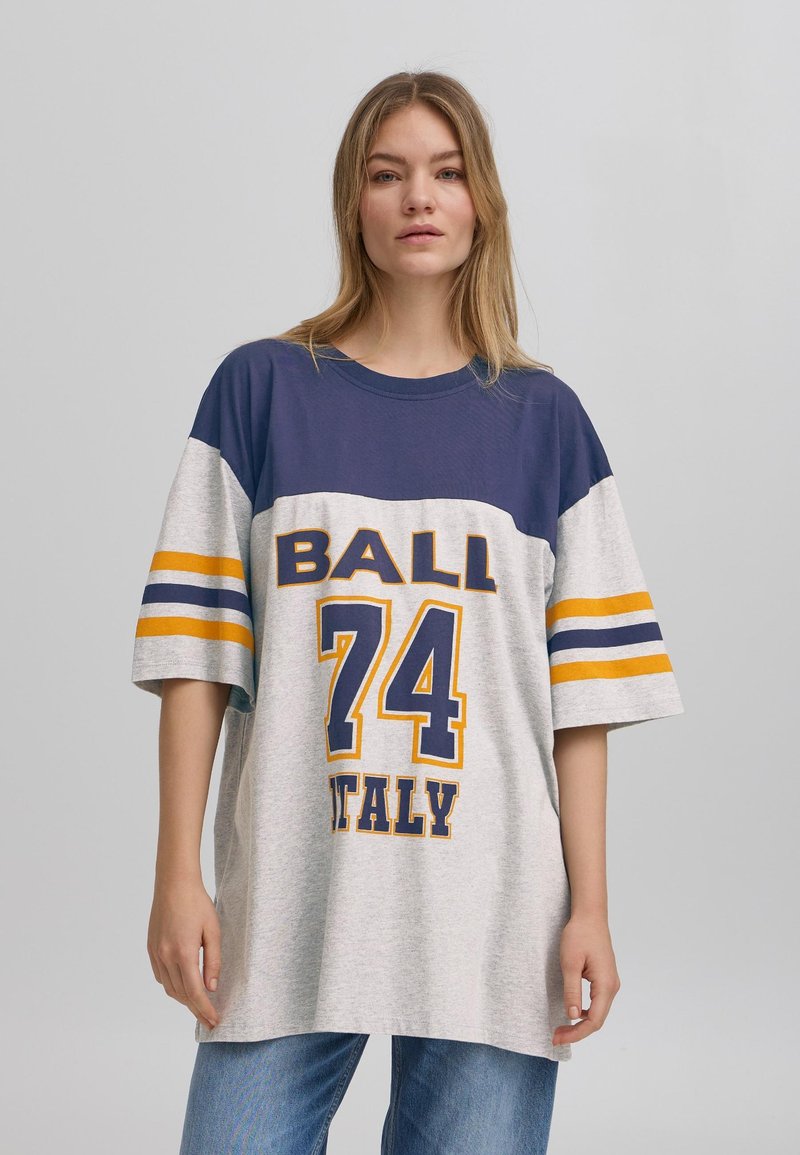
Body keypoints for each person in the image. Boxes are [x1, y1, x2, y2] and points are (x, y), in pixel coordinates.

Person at [132, 70, 684, 1155]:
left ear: (482, 201)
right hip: (289, 900)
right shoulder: (260, 392)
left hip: (495, 915)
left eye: (446, 172)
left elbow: (580, 700)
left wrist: (589, 906)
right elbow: (196, 654)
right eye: (387, 175)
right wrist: (176, 873)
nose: (418, 197)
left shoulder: (546, 423)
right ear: (354, 202)